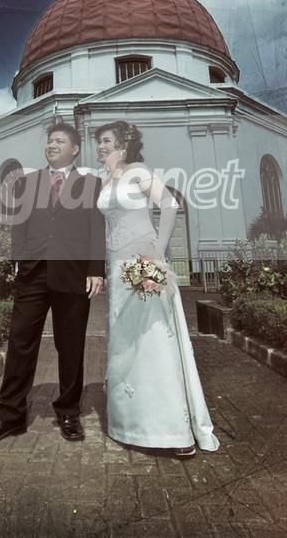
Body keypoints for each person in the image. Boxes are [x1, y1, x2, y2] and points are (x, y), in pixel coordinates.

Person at [0, 122, 105, 446]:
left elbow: (97, 229)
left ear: (74, 149)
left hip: (72, 274)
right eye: (49, 141)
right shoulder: (27, 183)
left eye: (60, 141)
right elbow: (19, 225)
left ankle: (68, 411)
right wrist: (19, 260)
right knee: (20, 343)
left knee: (70, 345)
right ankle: (10, 415)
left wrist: (96, 270)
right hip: (32, 273)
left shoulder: (91, 184)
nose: (52, 145)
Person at [95, 120, 219, 457]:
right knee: (124, 338)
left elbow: (169, 204)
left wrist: (158, 253)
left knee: (152, 340)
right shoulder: (106, 182)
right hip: (116, 269)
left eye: (106, 140)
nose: (101, 146)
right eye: (99, 141)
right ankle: (129, 424)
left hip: (142, 263)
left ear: (123, 144)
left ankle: (171, 431)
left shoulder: (138, 171)